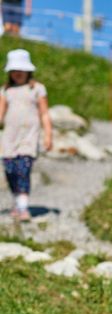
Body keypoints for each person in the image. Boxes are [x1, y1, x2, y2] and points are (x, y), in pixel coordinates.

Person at [0, 49, 51, 223]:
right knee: (10, 170)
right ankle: (16, 201)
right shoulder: (6, 91)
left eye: (21, 70)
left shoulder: (37, 89)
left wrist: (48, 135)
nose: (18, 74)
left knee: (23, 169)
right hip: (9, 138)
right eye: (14, 71)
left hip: (28, 137)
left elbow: (44, 113)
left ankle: (23, 206)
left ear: (28, 71)